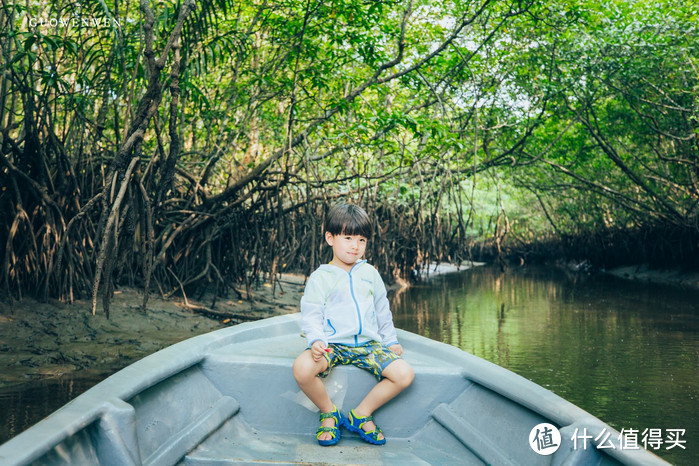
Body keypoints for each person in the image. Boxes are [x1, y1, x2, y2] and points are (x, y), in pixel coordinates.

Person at [292, 203, 414, 446]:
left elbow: (382, 310)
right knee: (302, 368)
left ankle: (361, 414)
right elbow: (311, 313)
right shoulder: (321, 276)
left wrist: (390, 341)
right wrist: (316, 339)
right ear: (330, 238)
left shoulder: (370, 273)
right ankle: (329, 412)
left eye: (361, 240)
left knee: (404, 375)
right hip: (333, 345)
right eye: (347, 238)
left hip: (369, 345)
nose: (355, 246)